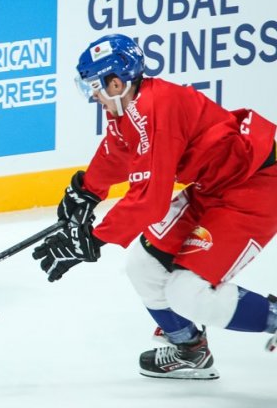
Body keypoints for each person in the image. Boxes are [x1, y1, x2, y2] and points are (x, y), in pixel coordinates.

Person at [33, 33, 277, 379]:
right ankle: (191, 351)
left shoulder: (153, 110)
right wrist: (87, 192)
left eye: (95, 87)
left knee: (187, 293)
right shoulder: (131, 108)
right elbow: (118, 150)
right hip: (215, 187)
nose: (93, 96)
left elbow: (150, 200)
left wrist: (93, 238)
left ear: (115, 82)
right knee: (143, 266)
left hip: (254, 188)